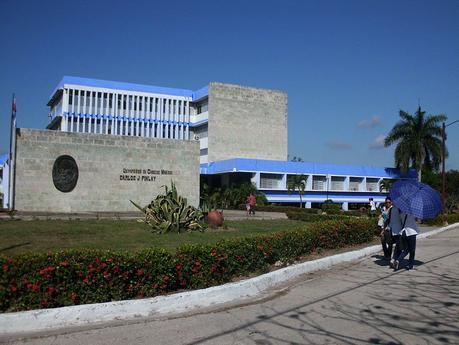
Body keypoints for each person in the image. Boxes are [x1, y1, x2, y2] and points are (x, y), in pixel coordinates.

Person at [385, 198, 403, 268]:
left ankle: (394, 259)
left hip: (393, 231)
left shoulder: (391, 209)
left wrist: (388, 228)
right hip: (399, 231)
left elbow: (389, 221)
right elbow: (402, 219)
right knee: (400, 247)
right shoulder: (399, 209)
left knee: (398, 246)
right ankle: (395, 260)